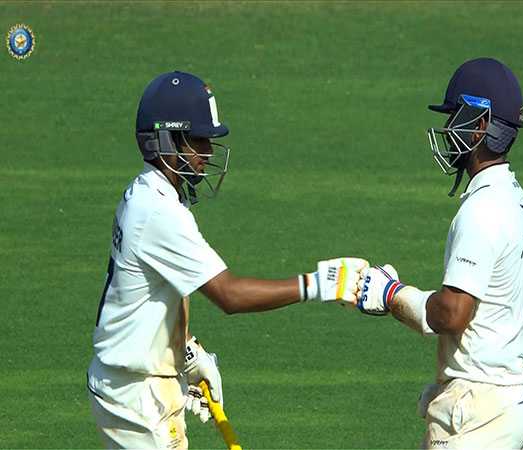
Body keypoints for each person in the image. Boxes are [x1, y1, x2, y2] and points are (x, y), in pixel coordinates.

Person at [86, 70, 367, 449]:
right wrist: (319, 283)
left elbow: (171, 286)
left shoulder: (152, 193)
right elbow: (228, 295)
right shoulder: (158, 213)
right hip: (137, 396)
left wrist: (186, 352)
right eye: (199, 141)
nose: (207, 153)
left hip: (127, 383)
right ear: (167, 139)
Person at [354, 58, 523, 449]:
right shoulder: (519, 202)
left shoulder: (482, 210)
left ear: (480, 126)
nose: (447, 128)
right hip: (513, 401)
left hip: (480, 411)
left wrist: (392, 295)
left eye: (456, 116)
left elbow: (452, 314)